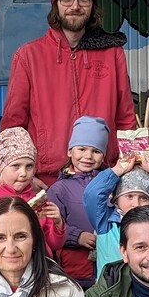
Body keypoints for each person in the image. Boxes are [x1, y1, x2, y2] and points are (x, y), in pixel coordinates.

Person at [0, 0, 135, 182]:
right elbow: (13, 124)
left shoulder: (112, 53)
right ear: (56, 5)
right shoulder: (28, 55)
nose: (75, 6)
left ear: (93, 6)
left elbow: (125, 118)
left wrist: (128, 169)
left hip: (103, 174)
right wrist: (24, 176)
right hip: (46, 178)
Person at [83, 152, 149, 276]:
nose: (136, 203)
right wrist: (117, 171)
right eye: (129, 196)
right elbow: (93, 195)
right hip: (111, 286)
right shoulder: (105, 222)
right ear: (116, 199)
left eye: (143, 198)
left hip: (148, 284)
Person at [0, 127, 64, 255]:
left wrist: (58, 224)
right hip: (7, 261)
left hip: (39, 263)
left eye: (29, 166)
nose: (23, 173)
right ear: (0, 168)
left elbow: (54, 244)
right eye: (16, 166)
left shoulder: (39, 201)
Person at [48, 116, 111, 287]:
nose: (88, 156)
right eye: (82, 149)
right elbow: (51, 226)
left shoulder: (111, 184)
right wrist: (77, 237)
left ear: (103, 155)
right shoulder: (58, 189)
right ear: (70, 151)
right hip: (76, 268)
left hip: (109, 265)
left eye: (96, 151)